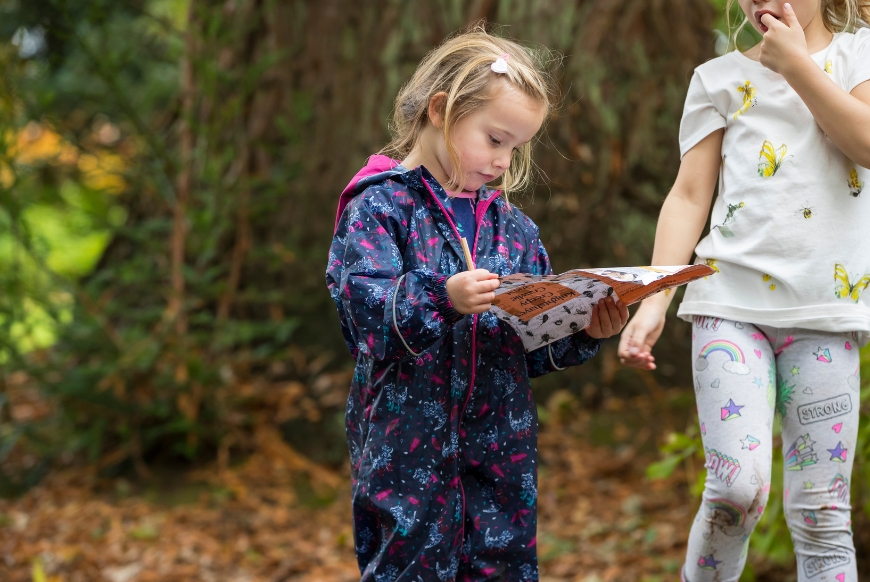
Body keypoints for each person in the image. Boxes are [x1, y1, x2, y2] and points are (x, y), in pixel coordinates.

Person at [326, 25, 628, 581]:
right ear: (441, 110)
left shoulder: (513, 229)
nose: (503, 161)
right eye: (494, 139)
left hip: (500, 449)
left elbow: (528, 346)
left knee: (503, 564)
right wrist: (444, 297)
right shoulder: (381, 207)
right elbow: (363, 314)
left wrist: (584, 329)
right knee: (408, 565)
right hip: (405, 448)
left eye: (517, 146)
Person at [618, 1, 870, 580]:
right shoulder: (717, 79)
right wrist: (656, 296)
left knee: (822, 513)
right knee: (737, 487)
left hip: (826, 317)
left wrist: (800, 68)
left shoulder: (856, 57)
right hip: (728, 308)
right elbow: (688, 196)